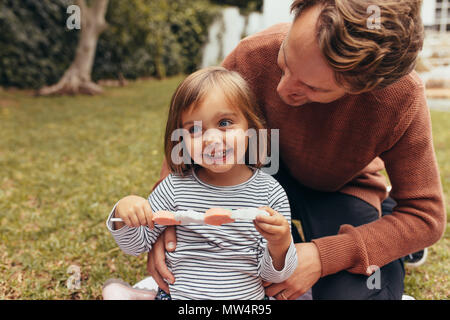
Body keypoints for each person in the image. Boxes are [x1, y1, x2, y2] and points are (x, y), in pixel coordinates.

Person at [145, 0, 446, 300]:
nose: (282, 89)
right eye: (285, 60)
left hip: (339, 188)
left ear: (364, 87)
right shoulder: (252, 54)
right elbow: (188, 137)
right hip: (255, 177)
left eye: (313, 88)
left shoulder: (400, 97)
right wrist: (167, 221)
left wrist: (321, 256)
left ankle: (384, 212)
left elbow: (424, 216)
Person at [105, 67, 298, 300]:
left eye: (225, 122)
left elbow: (273, 275)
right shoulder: (174, 188)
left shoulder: (270, 193)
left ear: (250, 129)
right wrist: (123, 212)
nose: (212, 140)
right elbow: (135, 245)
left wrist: (280, 244)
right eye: (194, 129)